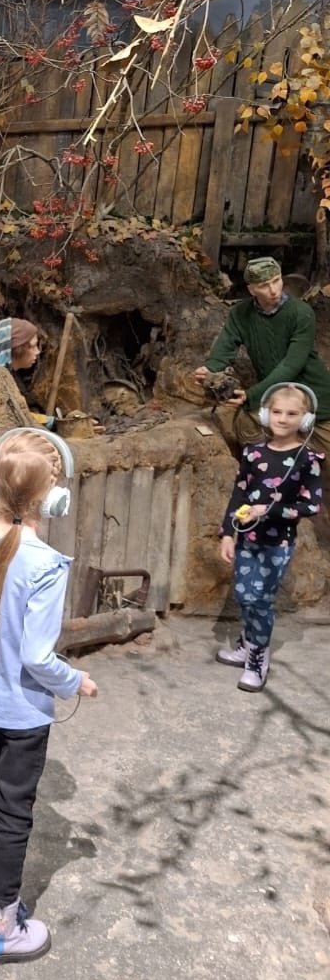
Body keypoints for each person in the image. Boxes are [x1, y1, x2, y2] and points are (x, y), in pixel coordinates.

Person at [0, 427, 98, 966]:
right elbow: (36, 656)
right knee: (13, 813)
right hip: (20, 713)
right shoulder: (46, 564)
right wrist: (74, 681)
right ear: (54, 498)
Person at [215, 383, 323, 692]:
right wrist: (227, 534)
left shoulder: (308, 459)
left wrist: (269, 510)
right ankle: (248, 642)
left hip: (278, 545)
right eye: (277, 412)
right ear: (265, 414)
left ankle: (258, 659)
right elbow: (239, 494)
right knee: (243, 595)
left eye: (292, 414)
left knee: (260, 600)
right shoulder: (253, 453)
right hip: (247, 540)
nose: (283, 419)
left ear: (305, 419)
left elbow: (311, 505)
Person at [194, 255, 330, 462]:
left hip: (315, 397)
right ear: (252, 290)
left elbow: (291, 365)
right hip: (277, 396)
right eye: (264, 285)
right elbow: (224, 348)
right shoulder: (241, 313)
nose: (273, 290)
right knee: (246, 426)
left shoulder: (301, 312)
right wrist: (209, 370)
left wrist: (252, 395)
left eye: (276, 281)